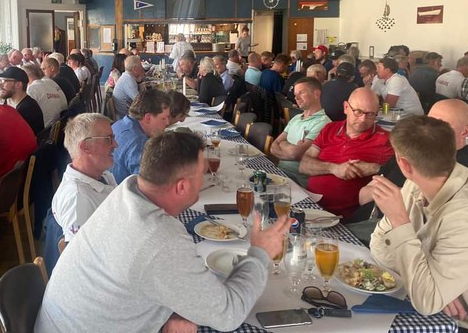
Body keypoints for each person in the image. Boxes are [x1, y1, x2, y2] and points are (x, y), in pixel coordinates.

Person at [35, 131, 291, 333]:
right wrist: (259, 253)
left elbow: (141, 271)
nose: (204, 180)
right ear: (181, 187)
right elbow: (229, 314)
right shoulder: (158, 238)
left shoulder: (127, 190)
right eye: (202, 174)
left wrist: (174, 309)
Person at [370, 115, 468, 333]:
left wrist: (399, 222)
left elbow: (426, 301)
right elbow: (378, 248)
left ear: (404, 164)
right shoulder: (415, 185)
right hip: (434, 310)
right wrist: (434, 285)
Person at [299, 88, 394, 219]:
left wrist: (375, 168)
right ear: (346, 108)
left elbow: (404, 178)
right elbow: (304, 165)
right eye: (358, 112)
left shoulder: (385, 140)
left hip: (344, 217)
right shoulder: (329, 129)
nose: (363, 119)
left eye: (370, 114)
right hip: (309, 205)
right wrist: (334, 168)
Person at [43, 113, 117, 274]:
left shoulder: (102, 176)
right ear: (85, 147)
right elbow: (81, 267)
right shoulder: (78, 200)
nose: (115, 144)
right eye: (108, 139)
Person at [271, 77, 331, 188]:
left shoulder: (324, 123)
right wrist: (290, 148)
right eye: (295, 94)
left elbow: (295, 153)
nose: (296, 98)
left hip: (296, 181)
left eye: (301, 93)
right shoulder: (296, 118)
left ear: (316, 94)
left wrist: (283, 144)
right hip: (279, 173)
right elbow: (273, 146)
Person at [111, 89, 171, 184]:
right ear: (147, 118)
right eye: (163, 118)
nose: (167, 123)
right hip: (123, 190)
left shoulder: (119, 124)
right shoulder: (138, 142)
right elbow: (149, 184)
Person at [0, 66, 44, 136]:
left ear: (18, 85)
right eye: (0, 81)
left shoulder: (27, 109)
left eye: (4, 81)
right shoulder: (8, 101)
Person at [23, 63, 68, 128]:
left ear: (25, 77)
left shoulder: (32, 89)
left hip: (46, 129)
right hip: (59, 126)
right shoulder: (50, 83)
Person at [112, 55, 145, 119]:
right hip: (126, 116)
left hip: (127, 112)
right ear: (135, 69)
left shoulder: (127, 76)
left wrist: (139, 81)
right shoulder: (128, 80)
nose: (142, 68)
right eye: (141, 66)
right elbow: (140, 101)